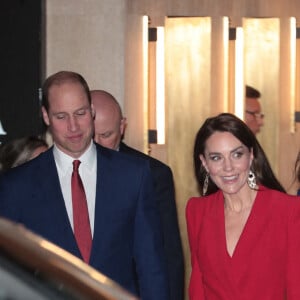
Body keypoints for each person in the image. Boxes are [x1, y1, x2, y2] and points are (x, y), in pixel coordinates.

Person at [0, 71, 170, 299]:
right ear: (46, 116)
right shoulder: (16, 186)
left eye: (80, 113)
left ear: (91, 110)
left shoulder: (133, 175)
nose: (73, 127)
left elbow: (152, 268)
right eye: (61, 116)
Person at [186, 112, 300, 300]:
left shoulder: (288, 210)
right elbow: (198, 286)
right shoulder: (197, 210)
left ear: (251, 155)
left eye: (237, 154)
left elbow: (296, 289)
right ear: (204, 163)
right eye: (216, 158)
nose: (228, 167)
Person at [91, 89, 184, 300]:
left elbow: (168, 254)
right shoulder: (63, 170)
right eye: (90, 135)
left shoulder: (152, 174)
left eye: (106, 135)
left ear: (122, 127)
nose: (96, 144)